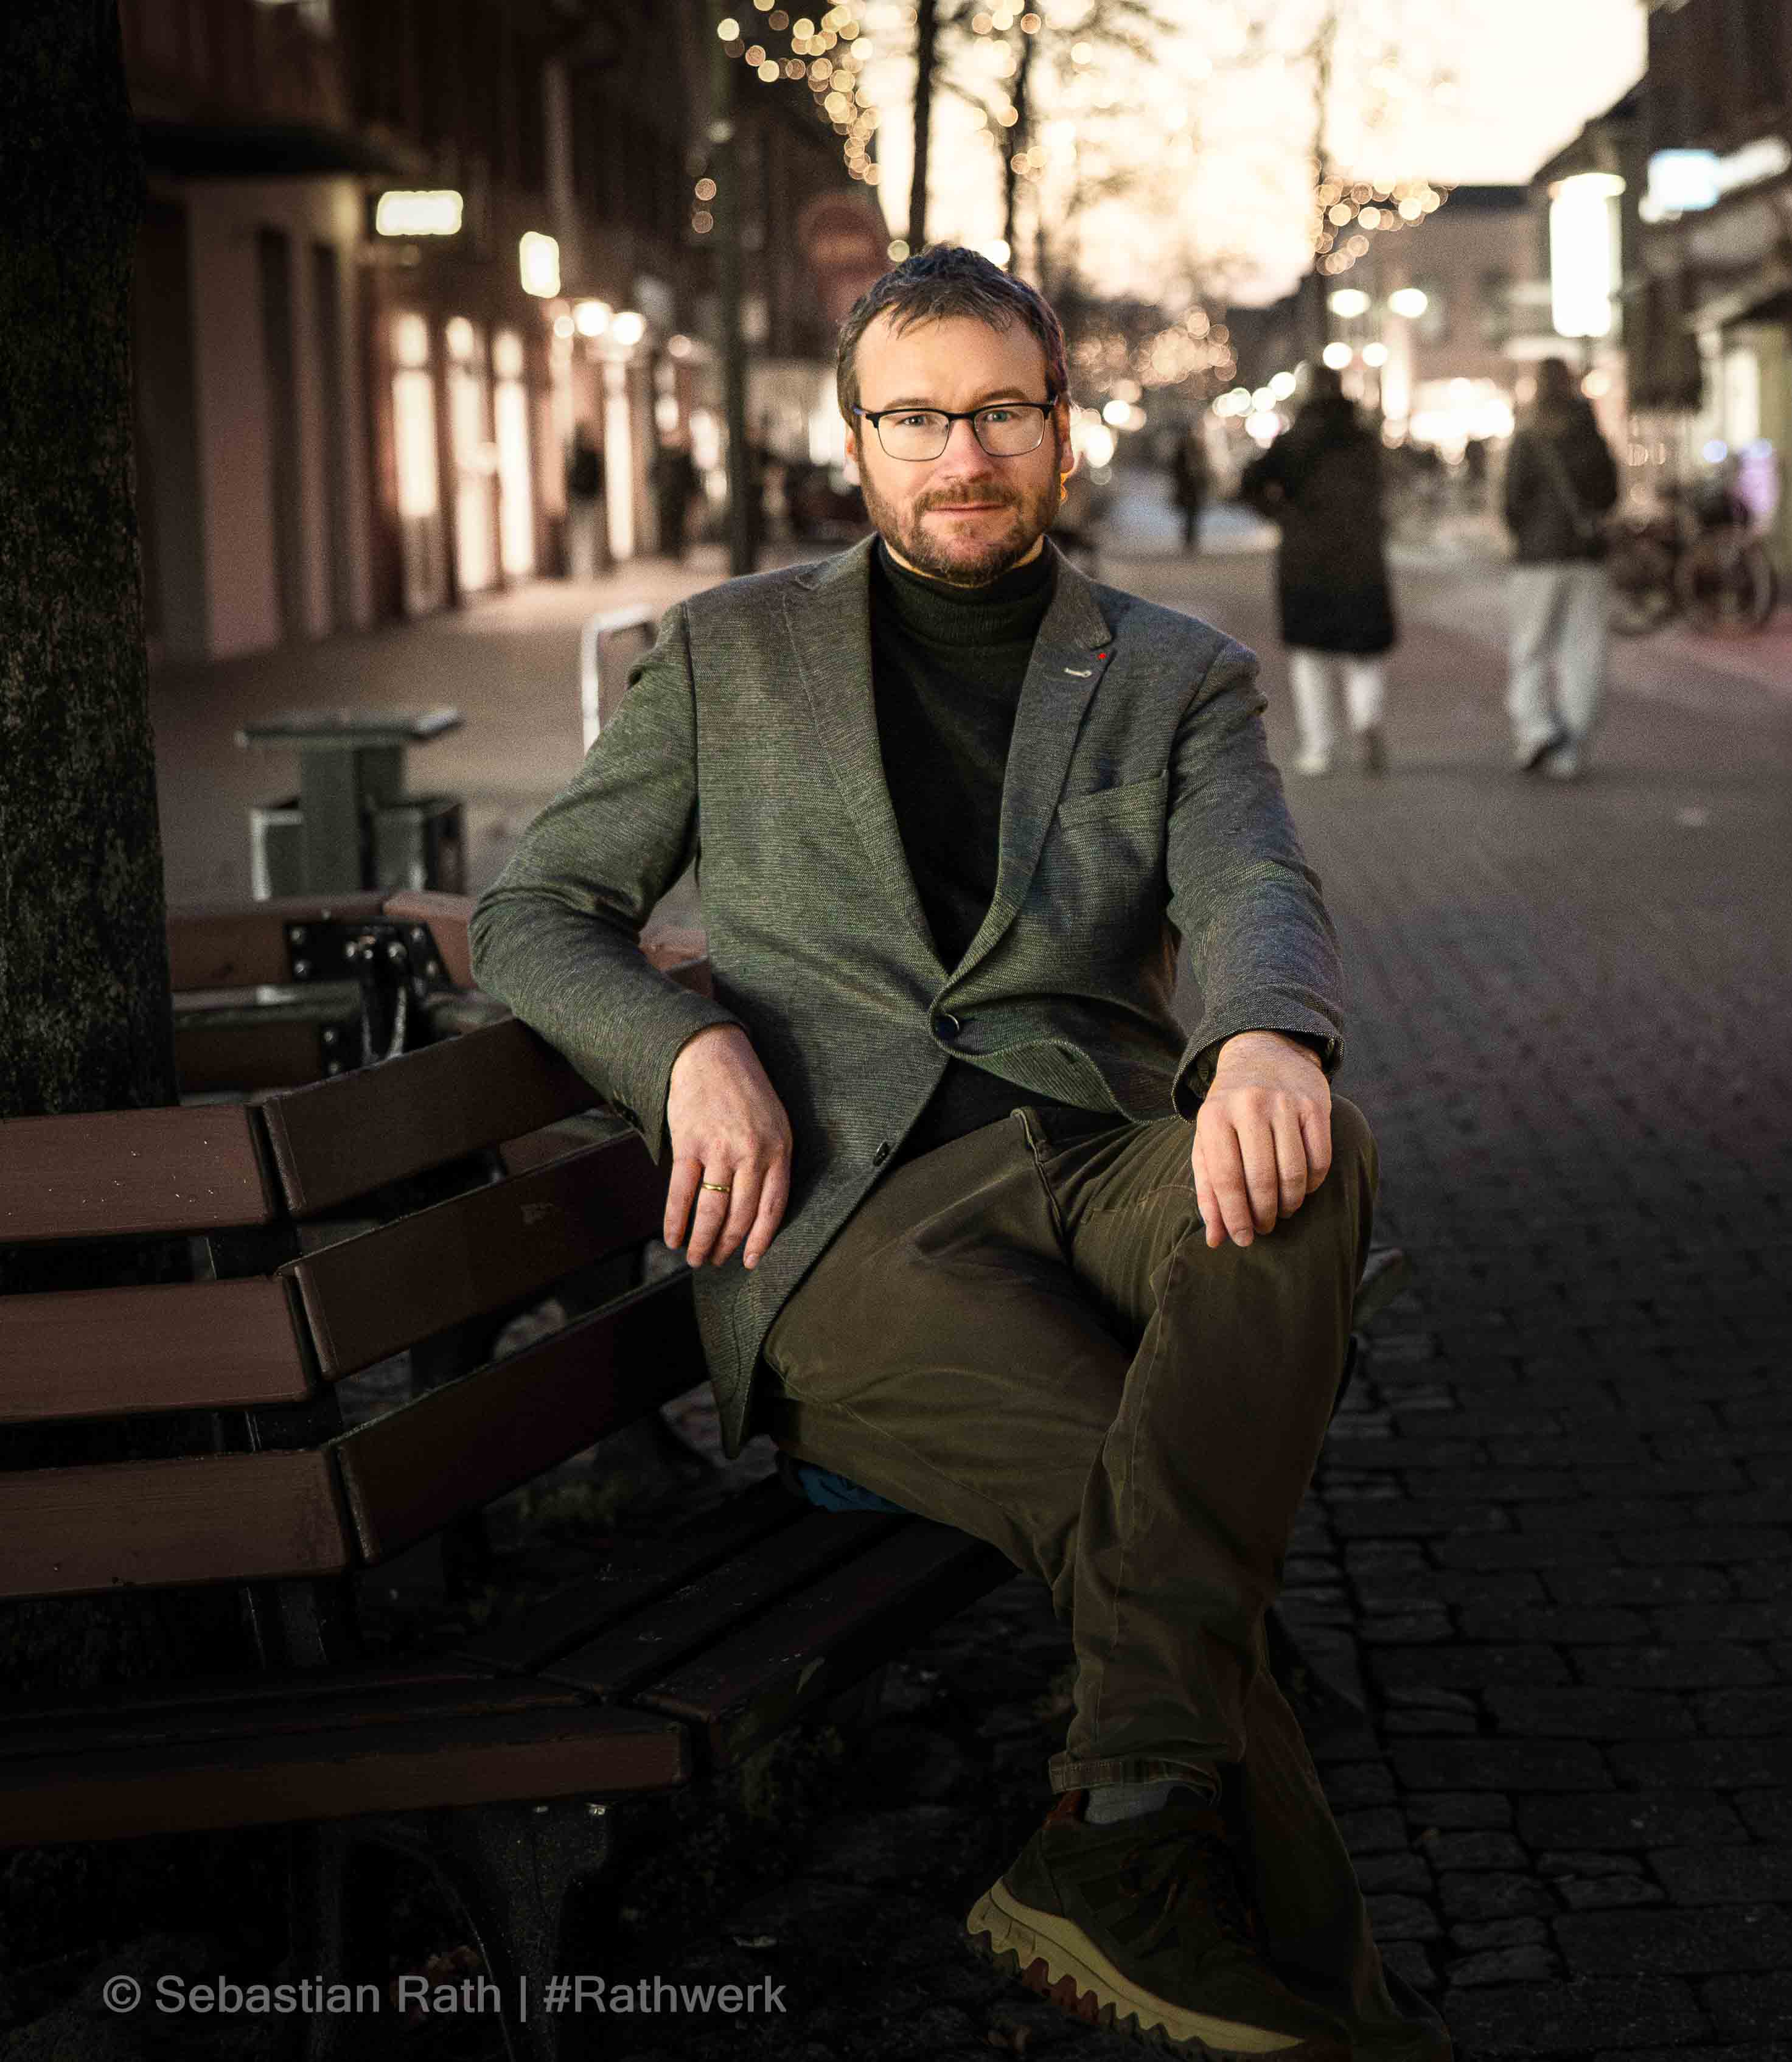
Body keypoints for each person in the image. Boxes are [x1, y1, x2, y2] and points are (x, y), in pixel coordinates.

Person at [471, 247, 1446, 2062]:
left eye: (997, 409)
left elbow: (1249, 880)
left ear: (1060, 428)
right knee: (1141, 1506)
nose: (960, 452)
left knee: (1311, 1163)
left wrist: (1258, 1034)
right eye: (914, 417)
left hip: (1092, 1154)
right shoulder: (727, 651)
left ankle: (1131, 1841)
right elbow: (533, 915)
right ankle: (1273, 1953)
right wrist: (680, 1044)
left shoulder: (1173, 676)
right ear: (854, 443)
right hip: (838, 1217)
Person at [1238, 384, 1396, 778]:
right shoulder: (1363, 442)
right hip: (1361, 557)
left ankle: (1319, 746)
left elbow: (1249, 481)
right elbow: (1382, 491)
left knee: (1310, 658)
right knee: (1364, 651)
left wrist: (1279, 514)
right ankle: (1366, 716)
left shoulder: (1293, 443)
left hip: (1306, 560)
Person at [1497, 357, 1619, 779]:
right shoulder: (1590, 432)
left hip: (1536, 558)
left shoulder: (1528, 435)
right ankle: (1572, 744)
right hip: (1585, 557)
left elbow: (1512, 501)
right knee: (1582, 651)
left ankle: (1535, 729)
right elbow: (1610, 493)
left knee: (1530, 648)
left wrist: (1526, 534)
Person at [563, 428, 607, 579]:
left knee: (585, 534)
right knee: (584, 534)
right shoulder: (584, 455)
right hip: (583, 498)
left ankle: (585, 568)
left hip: (584, 498)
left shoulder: (578, 456)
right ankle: (583, 568)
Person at [1168, 422, 1213, 556]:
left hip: (1195, 488)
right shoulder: (1182, 450)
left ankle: (1192, 540)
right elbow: (1176, 468)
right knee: (1189, 515)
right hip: (1187, 487)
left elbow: (1204, 468)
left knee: (1194, 515)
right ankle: (1189, 540)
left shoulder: (1198, 448)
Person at [650, 437, 699, 561]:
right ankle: (671, 549)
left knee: (678, 524)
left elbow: (691, 479)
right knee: (671, 523)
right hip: (668, 498)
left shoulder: (683, 459)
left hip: (678, 498)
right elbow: (653, 476)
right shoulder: (663, 459)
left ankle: (676, 549)